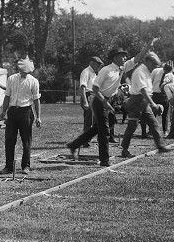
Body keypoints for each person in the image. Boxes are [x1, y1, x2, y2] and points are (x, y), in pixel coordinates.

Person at [66, 38, 158, 167]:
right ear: (115, 57)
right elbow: (95, 88)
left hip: (107, 100)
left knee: (97, 128)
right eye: (122, 56)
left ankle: (74, 145)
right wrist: (104, 102)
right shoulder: (106, 70)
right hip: (99, 100)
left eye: (125, 56)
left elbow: (137, 58)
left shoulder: (122, 68)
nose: (125, 58)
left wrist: (148, 46)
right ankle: (104, 160)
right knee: (104, 131)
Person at [119, 52, 172, 158]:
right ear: (147, 61)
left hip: (143, 102)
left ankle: (160, 146)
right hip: (136, 101)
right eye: (154, 65)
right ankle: (124, 150)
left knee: (154, 123)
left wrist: (151, 103)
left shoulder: (147, 71)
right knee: (132, 126)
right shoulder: (140, 72)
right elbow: (143, 90)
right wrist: (153, 104)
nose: (155, 68)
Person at [0, 57, 42, 175]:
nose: (24, 73)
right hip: (12, 112)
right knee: (9, 140)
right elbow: (7, 96)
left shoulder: (33, 81)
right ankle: (8, 167)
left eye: (27, 72)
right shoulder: (11, 79)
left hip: (26, 112)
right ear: (19, 69)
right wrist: (4, 111)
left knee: (26, 140)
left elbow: (36, 100)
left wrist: (38, 117)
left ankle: (25, 166)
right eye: (23, 71)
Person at [79, 56, 104, 135]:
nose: (99, 67)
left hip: (93, 96)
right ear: (92, 63)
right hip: (88, 95)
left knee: (93, 119)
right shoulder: (86, 72)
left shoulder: (94, 73)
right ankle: (86, 139)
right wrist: (85, 102)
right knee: (89, 119)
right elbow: (82, 87)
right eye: (98, 64)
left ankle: (88, 137)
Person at [150, 61, 173, 136]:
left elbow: (171, 86)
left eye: (168, 71)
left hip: (164, 96)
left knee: (165, 114)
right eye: (166, 70)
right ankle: (151, 130)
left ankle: (165, 130)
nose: (166, 72)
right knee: (153, 114)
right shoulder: (156, 71)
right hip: (155, 94)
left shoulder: (171, 75)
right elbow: (150, 81)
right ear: (164, 67)